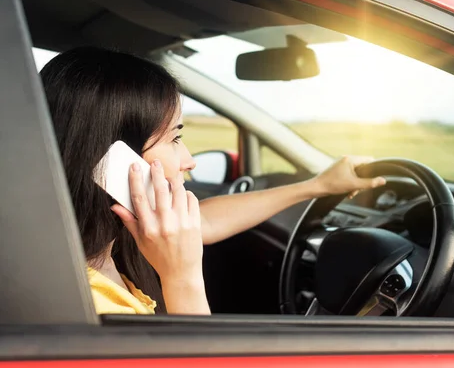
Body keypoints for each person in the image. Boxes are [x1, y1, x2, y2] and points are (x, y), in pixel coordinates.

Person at [41, 47, 386, 315]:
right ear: (113, 160)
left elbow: (204, 220)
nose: (189, 160)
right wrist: (183, 277)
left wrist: (316, 186)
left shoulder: (97, 244)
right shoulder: (90, 305)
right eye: (175, 139)